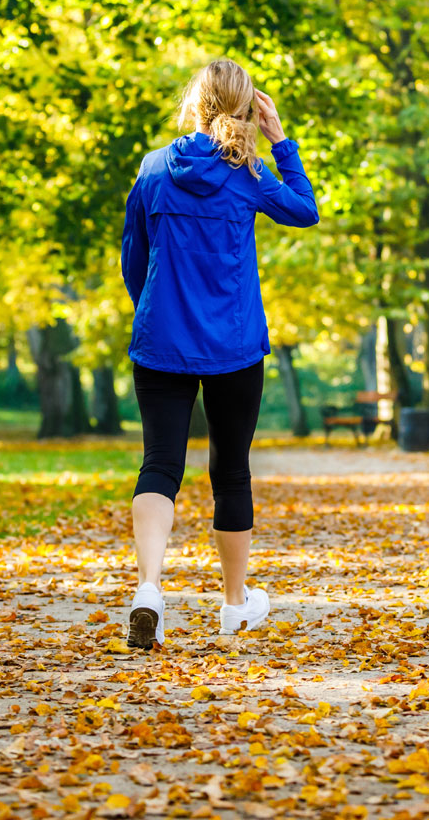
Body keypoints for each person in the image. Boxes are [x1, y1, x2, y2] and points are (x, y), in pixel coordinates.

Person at [120, 58, 318, 648]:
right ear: (247, 109)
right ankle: (234, 607)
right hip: (233, 347)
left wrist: (153, 309)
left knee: (159, 465)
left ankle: (149, 589)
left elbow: (135, 255)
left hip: (162, 343)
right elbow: (305, 210)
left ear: (196, 104)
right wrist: (282, 141)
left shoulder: (154, 169)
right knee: (231, 471)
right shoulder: (249, 174)